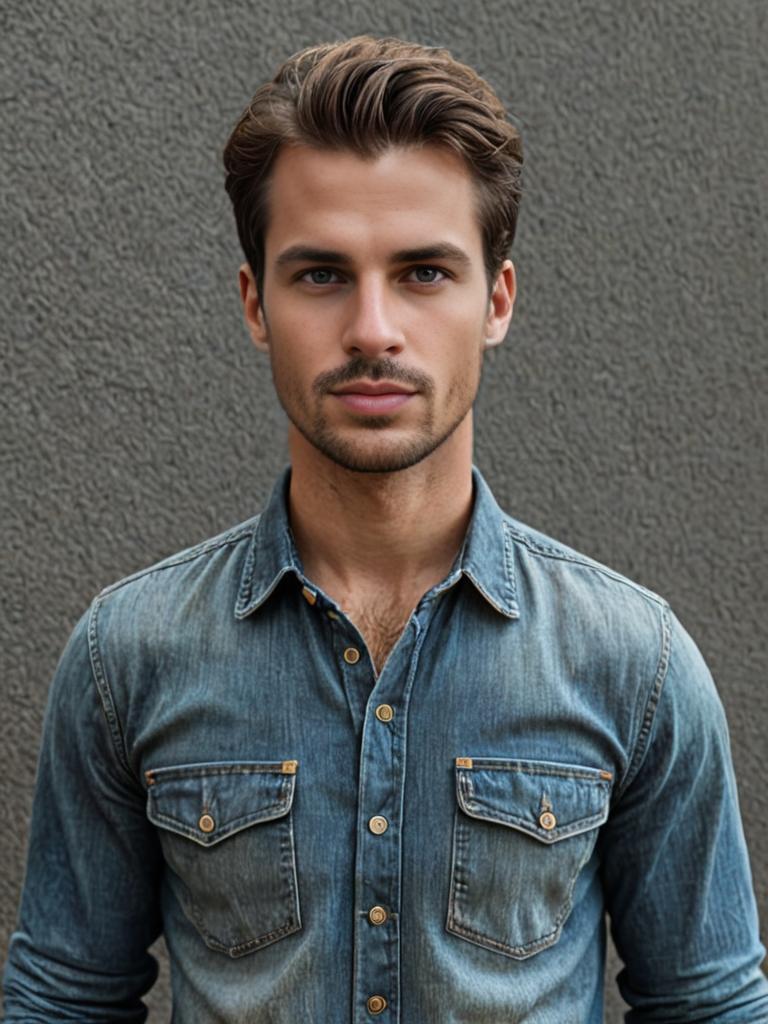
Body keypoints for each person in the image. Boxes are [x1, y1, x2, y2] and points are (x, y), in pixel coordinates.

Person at [3, 33, 767, 1024]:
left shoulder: (634, 660)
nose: (372, 328)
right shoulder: (130, 654)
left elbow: (712, 1006)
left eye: (422, 273)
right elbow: (62, 1002)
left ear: (495, 300)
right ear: (255, 304)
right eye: (321, 274)